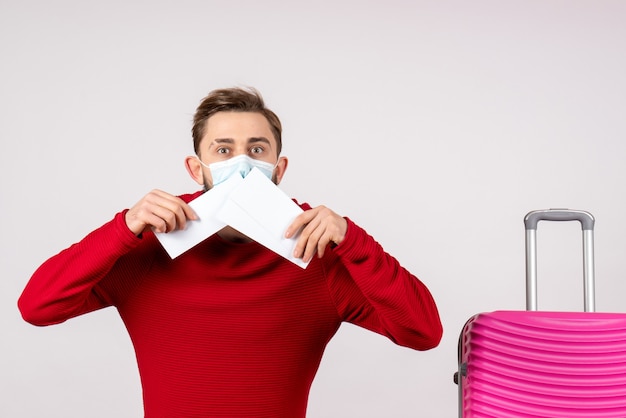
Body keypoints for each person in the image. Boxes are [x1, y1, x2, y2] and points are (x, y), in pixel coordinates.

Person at [18, 87, 443, 417]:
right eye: (223, 150)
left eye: (257, 149)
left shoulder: (319, 252)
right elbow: (37, 306)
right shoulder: (150, 246)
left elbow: (423, 332)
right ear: (195, 167)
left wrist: (352, 239)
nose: (241, 163)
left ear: (279, 168)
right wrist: (123, 227)